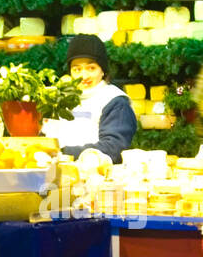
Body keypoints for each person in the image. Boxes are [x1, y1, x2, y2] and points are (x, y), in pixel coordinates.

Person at [43, 34, 137, 163]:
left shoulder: (115, 101)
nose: (84, 76)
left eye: (91, 68)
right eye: (77, 69)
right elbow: (45, 138)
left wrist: (62, 153)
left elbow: (113, 148)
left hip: (98, 176)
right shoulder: (59, 99)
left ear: (102, 70)